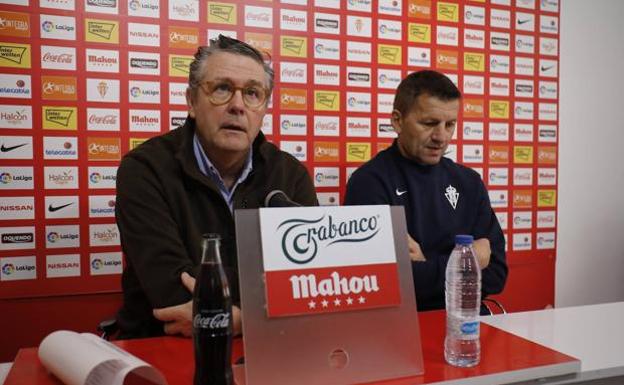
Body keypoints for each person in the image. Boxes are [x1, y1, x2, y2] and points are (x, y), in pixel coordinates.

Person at [115, 35, 318, 338]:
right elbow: (173, 292)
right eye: (222, 88)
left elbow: (311, 284)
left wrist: (240, 320)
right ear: (192, 102)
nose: (237, 106)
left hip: (271, 346)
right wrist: (271, 296)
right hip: (162, 346)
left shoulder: (290, 175)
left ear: (263, 107)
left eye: (252, 93)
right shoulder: (144, 170)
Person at [344, 70, 507, 312]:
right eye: (429, 123)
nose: (441, 136)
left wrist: (425, 263)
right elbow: (386, 283)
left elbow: (496, 273)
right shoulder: (369, 183)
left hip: (467, 328)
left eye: (450, 124)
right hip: (402, 332)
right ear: (398, 121)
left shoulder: (469, 182)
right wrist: (470, 262)